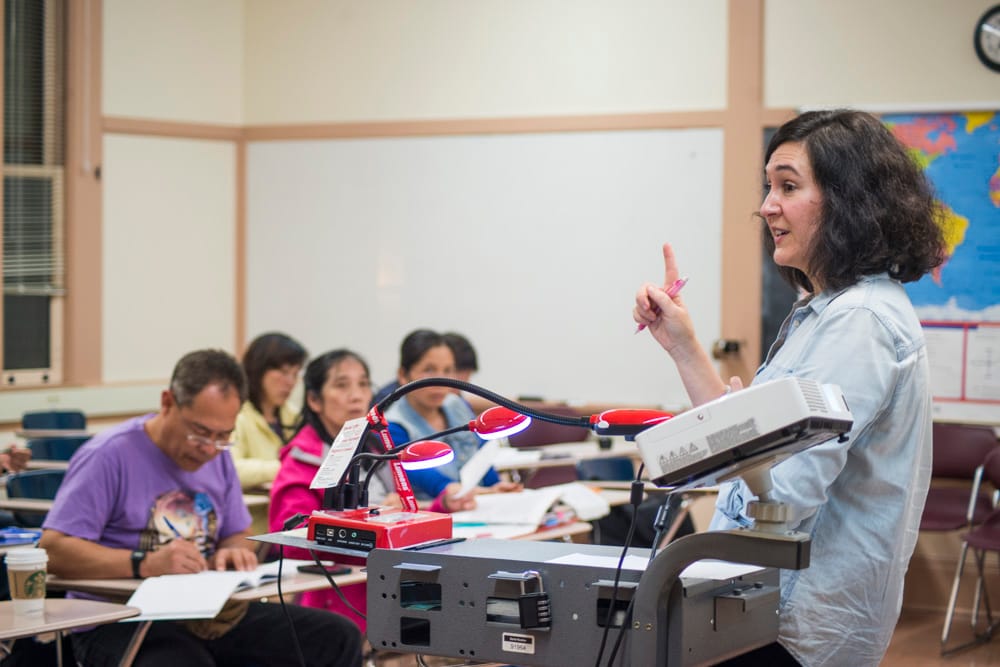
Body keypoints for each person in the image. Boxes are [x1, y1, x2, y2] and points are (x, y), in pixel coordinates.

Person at [633, 109, 943, 667]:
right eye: (768, 186)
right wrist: (682, 344)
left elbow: (780, 494)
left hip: (794, 625)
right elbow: (755, 451)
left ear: (850, 200)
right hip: (773, 613)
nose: (767, 205)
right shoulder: (823, 313)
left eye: (789, 186)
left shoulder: (859, 323)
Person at [39, 349, 362, 667]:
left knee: (334, 637)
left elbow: (236, 532)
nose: (209, 449)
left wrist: (234, 551)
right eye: (200, 433)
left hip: (205, 610)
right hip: (120, 617)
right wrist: (143, 563)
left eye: (223, 436)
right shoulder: (109, 455)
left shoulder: (218, 457)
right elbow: (53, 549)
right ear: (167, 403)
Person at [269, 348, 475, 631]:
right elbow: (291, 541)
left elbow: (401, 516)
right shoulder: (301, 460)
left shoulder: (377, 446)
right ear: (314, 400)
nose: (356, 395)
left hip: (394, 581)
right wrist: (371, 520)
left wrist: (442, 506)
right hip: (341, 595)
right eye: (342, 385)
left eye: (363, 384)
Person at [383, 329, 520, 501]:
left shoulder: (456, 404)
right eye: (429, 370)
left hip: (481, 505)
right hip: (437, 513)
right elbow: (436, 485)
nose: (441, 381)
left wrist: (496, 486)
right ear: (403, 375)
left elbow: (481, 453)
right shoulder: (393, 425)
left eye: (448, 370)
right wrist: (488, 493)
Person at [230, 332, 307, 489]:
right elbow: (231, 469)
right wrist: (286, 467)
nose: (290, 382)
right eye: (284, 372)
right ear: (259, 370)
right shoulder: (236, 414)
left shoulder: (293, 415)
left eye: (295, 374)